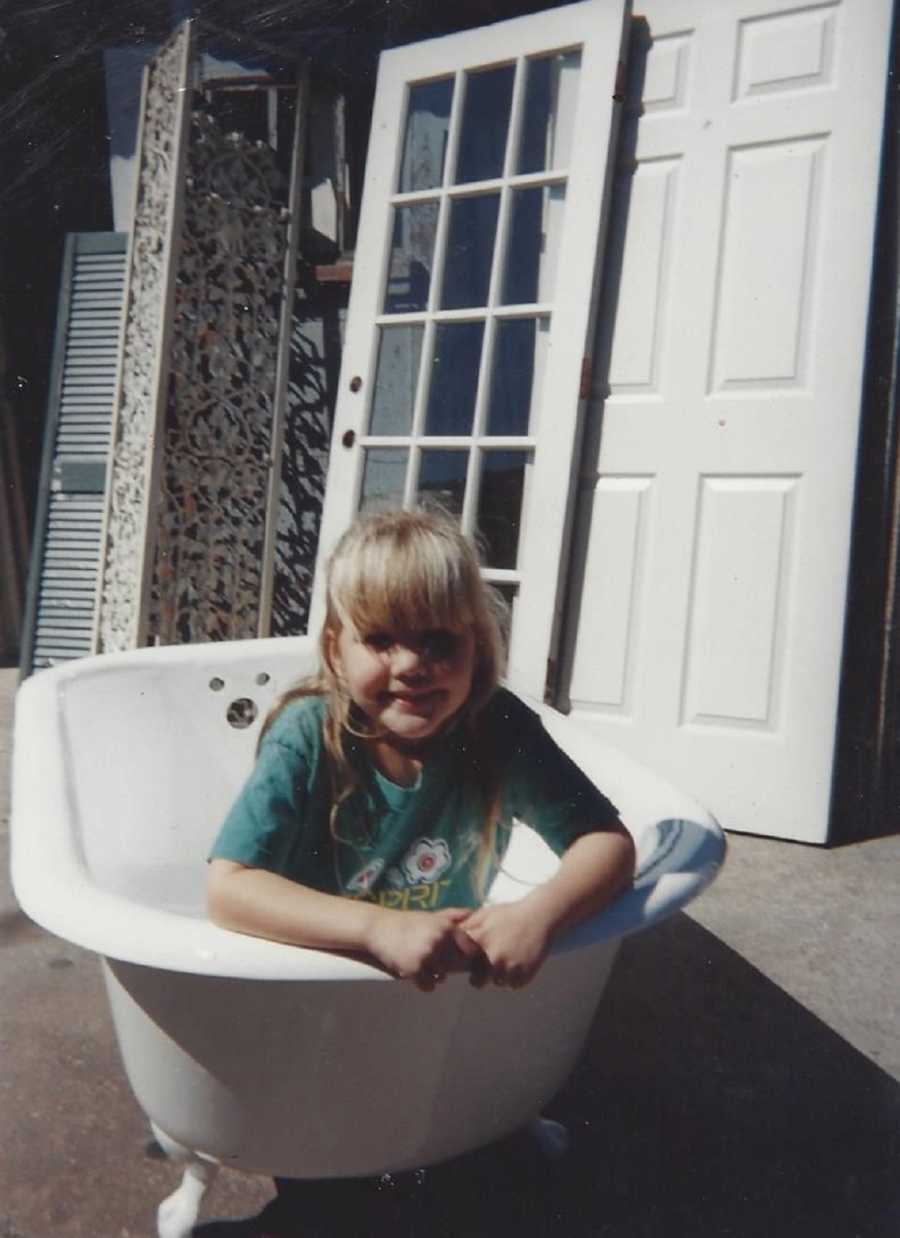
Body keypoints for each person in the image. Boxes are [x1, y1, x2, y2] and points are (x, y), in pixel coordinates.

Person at [204, 505, 635, 1235]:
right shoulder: (311, 736)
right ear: (337, 651)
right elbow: (229, 889)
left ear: (478, 646)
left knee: (470, 1154)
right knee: (331, 1190)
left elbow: (609, 843)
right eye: (381, 639)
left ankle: (486, 1137)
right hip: (322, 994)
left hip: (442, 998)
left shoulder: (496, 727)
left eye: (438, 641)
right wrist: (375, 927)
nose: (411, 665)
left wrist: (539, 914)